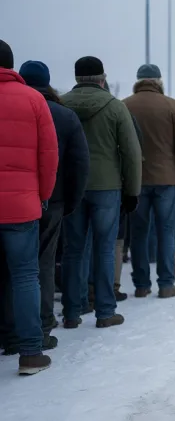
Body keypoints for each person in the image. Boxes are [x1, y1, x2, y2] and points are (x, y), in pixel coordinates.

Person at [60, 56, 141, 328]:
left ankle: (71, 312)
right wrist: (132, 191)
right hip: (107, 187)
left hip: (72, 187)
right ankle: (105, 311)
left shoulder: (60, 104)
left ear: (76, 78)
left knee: (73, 249)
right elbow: (130, 152)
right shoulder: (115, 107)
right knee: (105, 249)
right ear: (102, 78)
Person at [17, 60, 90, 352]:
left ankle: (10, 330)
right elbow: (79, 164)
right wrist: (71, 201)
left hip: (12, 200)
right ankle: (42, 326)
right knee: (42, 265)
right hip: (52, 199)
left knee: (14, 267)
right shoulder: (64, 115)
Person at [0, 40, 59, 374]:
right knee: (25, 277)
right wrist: (43, 195)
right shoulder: (34, 100)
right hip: (23, 204)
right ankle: (30, 354)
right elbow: (49, 157)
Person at [123, 64, 175, 299]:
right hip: (167, 179)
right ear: (159, 81)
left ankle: (141, 284)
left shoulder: (125, 105)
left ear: (138, 80)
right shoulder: (172, 106)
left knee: (139, 233)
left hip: (136, 180)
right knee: (166, 232)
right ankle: (166, 284)